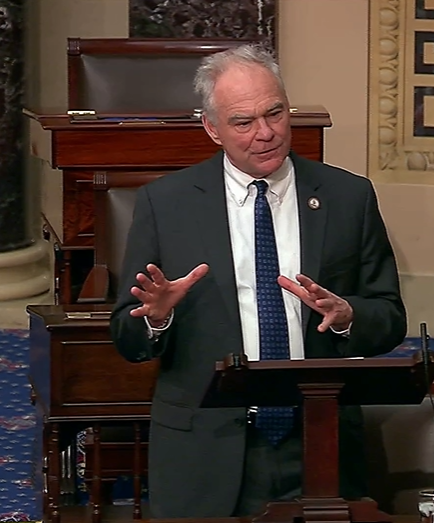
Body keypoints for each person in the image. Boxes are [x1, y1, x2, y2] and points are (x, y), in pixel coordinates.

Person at [110, 43, 407, 518]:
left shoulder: (348, 197)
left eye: (275, 114)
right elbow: (128, 338)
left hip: (317, 438)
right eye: (243, 123)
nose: (265, 134)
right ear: (212, 128)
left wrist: (348, 315)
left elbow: (390, 318)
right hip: (204, 446)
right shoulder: (165, 206)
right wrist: (157, 320)